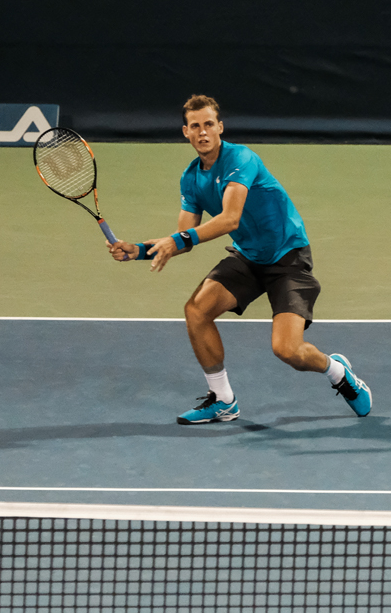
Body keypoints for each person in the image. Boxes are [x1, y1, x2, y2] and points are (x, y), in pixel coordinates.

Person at [106, 94, 372, 424]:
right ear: (185, 132)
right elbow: (185, 238)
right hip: (248, 258)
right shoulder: (191, 179)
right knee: (197, 310)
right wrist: (139, 250)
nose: (202, 132)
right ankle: (223, 400)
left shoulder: (241, 158)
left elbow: (230, 219)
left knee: (288, 351)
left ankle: (339, 374)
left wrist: (175, 241)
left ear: (220, 127)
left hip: (287, 256)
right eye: (195, 126)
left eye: (208, 125)